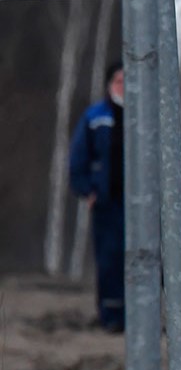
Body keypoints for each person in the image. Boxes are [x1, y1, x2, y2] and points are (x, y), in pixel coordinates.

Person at [68, 62, 127, 333]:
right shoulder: (96, 117)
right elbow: (78, 158)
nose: (123, 87)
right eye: (118, 81)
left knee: (142, 257)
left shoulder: (144, 116)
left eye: (128, 81)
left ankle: (140, 313)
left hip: (139, 205)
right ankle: (111, 316)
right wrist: (86, 190)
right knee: (109, 258)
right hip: (106, 203)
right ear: (108, 84)